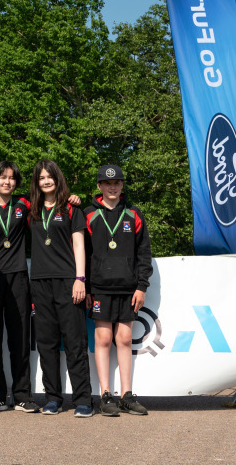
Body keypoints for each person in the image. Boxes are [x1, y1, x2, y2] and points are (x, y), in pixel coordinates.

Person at [85, 165, 152, 416]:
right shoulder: (89, 214)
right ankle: (105, 394)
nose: (112, 187)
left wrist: (141, 286)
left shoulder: (133, 214)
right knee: (102, 340)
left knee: (124, 339)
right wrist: (88, 287)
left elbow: (144, 252)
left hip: (128, 288)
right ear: (99, 186)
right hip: (100, 288)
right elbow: (85, 254)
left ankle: (126, 394)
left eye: (117, 183)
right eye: (107, 183)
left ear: (122, 186)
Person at [28, 159, 93, 417]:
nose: (46, 181)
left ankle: (83, 400)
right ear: (37, 181)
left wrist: (80, 279)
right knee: (46, 343)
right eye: (42, 177)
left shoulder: (71, 208)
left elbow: (79, 245)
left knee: (75, 342)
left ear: (57, 178)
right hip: (40, 283)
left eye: (50, 176)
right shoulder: (31, 209)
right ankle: (53, 398)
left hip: (68, 281)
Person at [0, 161, 40, 414]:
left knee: (20, 339)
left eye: (12, 178)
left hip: (18, 278)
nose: (7, 182)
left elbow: (51, 201)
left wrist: (74, 198)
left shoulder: (23, 205)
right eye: (2, 177)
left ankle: (22, 395)